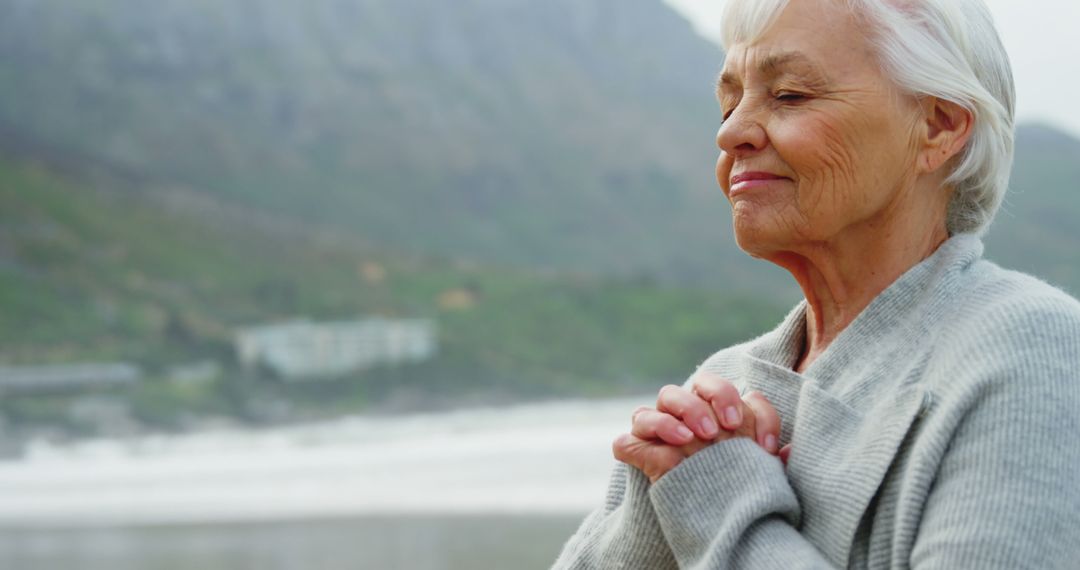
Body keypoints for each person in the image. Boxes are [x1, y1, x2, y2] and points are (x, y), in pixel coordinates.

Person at [552, 0, 1080, 568]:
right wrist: (664, 481)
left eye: (790, 95)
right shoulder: (723, 383)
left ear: (938, 126)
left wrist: (721, 503)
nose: (731, 133)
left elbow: (718, 511)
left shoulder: (1035, 348)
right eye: (728, 102)